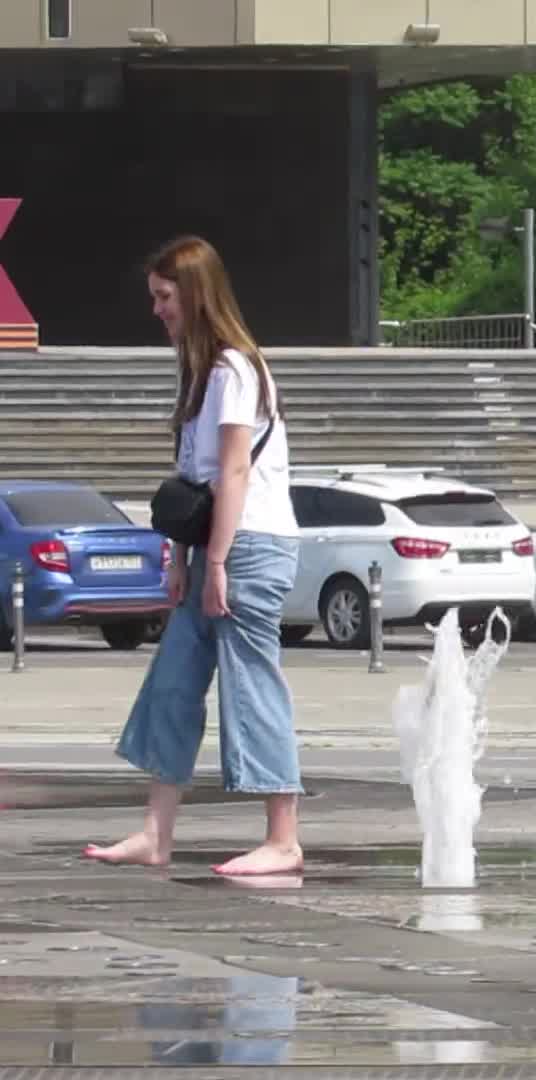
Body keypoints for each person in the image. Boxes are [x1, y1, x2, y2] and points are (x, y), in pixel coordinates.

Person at [84, 235, 305, 877]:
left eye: (164, 297)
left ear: (195, 295)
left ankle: (284, 839)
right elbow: (195, 481)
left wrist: (216, 564)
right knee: (174, 682)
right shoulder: (202, 375)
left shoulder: (235, 370)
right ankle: (156, 834)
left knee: (251, 684)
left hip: (249, 547)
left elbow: (234, 473)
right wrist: (182, 558)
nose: (156, 309)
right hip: (216, 545)